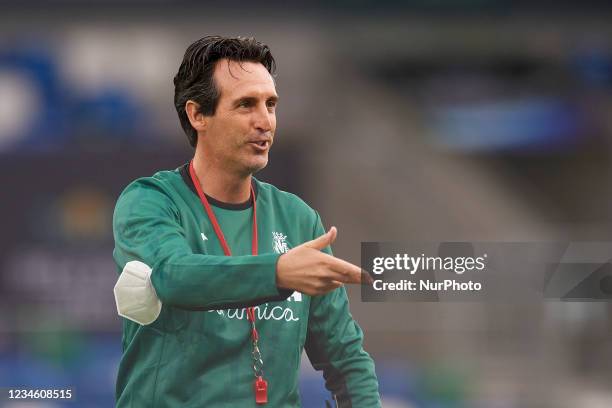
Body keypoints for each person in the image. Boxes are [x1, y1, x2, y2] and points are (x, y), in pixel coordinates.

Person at [112, 35, 381, 407]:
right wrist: (279, 272)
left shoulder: (298, 219)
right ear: (197, 115)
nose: (264, 121)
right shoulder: (151, 201)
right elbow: (173, 276)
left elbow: (345, 358)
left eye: (270, 104)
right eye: (245, 105)